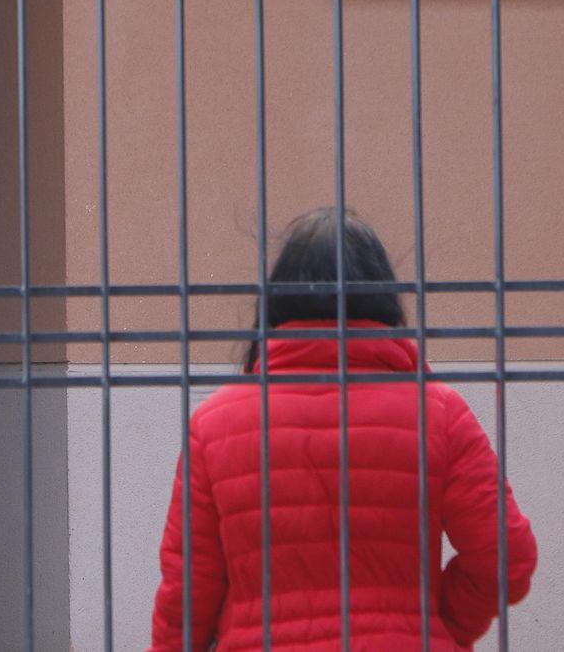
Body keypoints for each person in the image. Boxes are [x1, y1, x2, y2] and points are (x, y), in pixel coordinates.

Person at [147, 207, 538, 651]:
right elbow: (507, 557)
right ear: (383, 297)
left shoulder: (213, 425)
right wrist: (436, 629)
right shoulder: (439, 414)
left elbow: (187, 596)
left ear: (277, 299)